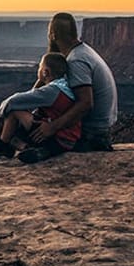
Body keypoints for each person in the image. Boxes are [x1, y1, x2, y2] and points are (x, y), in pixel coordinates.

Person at [27, 12, 118, 157]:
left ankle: (44, 151)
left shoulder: (76, 61)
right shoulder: (82, 51)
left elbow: (86, 103)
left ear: (53, 35)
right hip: (101, 130)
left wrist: (52, 127)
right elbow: (46, 83)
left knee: (24, 126)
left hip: (91, 134)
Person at [0, 52, 82, 163]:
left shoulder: (51, 91)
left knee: (14, 111)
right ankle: (28, 149)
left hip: (58, 139)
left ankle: (3, 146)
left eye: (39, 67)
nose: (38, 70)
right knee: (24, 116)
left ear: (45, 72)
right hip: (68, 140)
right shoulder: (65, 87)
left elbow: (14, 101)